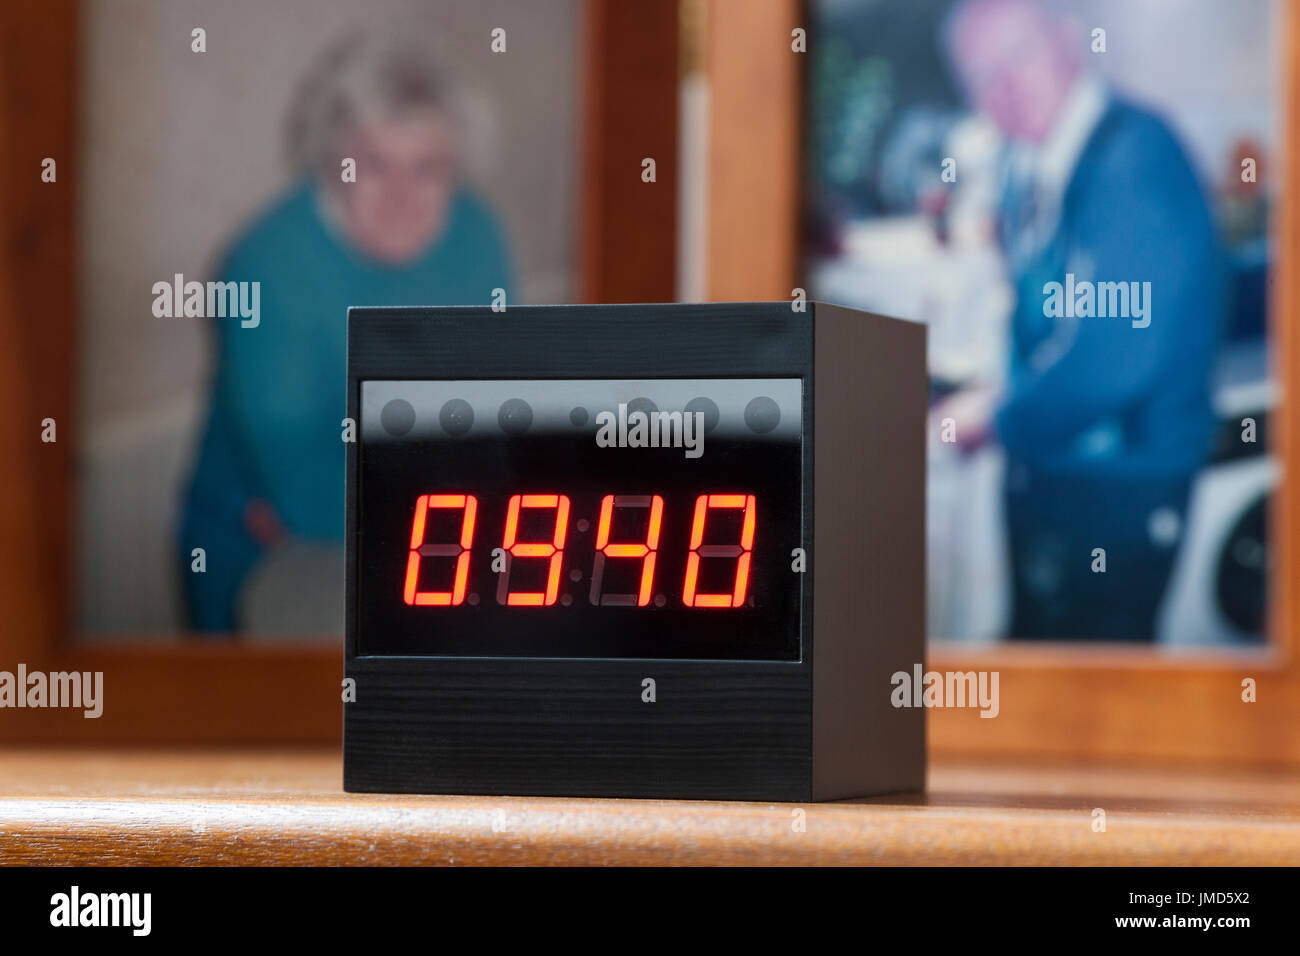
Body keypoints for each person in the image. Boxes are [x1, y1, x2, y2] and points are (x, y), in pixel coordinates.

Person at [179, 32, 514, 633]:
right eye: (374, 166)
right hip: (263, 554)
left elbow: (499, 415)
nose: (403, 196)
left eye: (429, 169)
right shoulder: (262, 269)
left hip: (429, 539)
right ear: (328, 161)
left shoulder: (478, 234)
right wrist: (466, 506)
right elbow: (305, 497)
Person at [942, 0, 1223, 640]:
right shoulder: (1027, 165)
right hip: (1061, 478)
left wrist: (996, 417)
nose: (1005, 87)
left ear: (1071, 40)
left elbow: (1113, 356)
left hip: (1117, 492)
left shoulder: (1135, 159)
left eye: (1019, 56)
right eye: (981, 75)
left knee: (1089, 703)